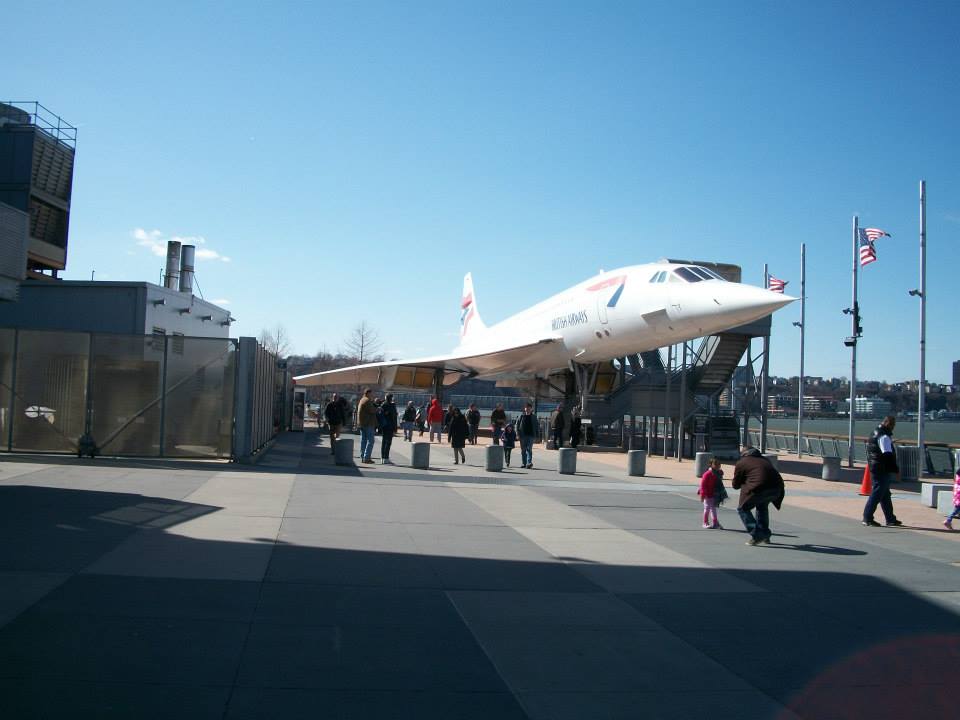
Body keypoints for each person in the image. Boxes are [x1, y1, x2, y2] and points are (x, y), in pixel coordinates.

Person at [732, 447, 785, 546]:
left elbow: (735, 485)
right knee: (762, 507)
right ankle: (765, 534)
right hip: (777, 488)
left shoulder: (742, 462)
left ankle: (757, 534)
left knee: (742, 509)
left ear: (744, 454)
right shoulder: (765, 459)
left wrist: (743, 482)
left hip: (759, 488)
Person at [862, 415, 903, 527]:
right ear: (887, 423)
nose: (893, 427)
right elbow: (887, 455)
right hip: (881, 468)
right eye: (892, 424)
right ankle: (867, 517)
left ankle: (890, 518)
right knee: (878, 492)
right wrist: (896, 470)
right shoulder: (884, 436)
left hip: (875, 466)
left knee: (885, 494)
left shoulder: (875, 432)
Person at [698, 457, 727, 529]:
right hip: (707, 494)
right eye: (716, 464)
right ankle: (705, 522)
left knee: (713, 508)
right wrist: (702, 495)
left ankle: (715, 523)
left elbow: (719, 482)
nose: (718, 466)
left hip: (714, 494)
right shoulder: (707, 474)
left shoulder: (718, 473)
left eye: (719, 464)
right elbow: (703, 485)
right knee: (707, 508)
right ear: (711, 465)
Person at [357, 388, 378, 464]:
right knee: (371, 441)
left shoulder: (362, 400)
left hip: (362, 423)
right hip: (368, 423)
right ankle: (367, 457)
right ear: (368, 393)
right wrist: (377, 408)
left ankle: (363, 456)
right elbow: (372, 410)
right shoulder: (367, 401)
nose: (372, 395)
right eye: (372, 394)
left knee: (363, 440)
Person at [516, 403, 537, 469]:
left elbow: (537, 426)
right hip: (522, 435)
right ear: (524, 409)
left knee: (529, 449)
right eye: (526, 407)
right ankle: (523, 463)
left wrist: (537, 435)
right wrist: (517, 434)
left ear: (531, 409)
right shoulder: (521, 416)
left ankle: (529, 463)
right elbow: (517, 425)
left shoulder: (534, 417)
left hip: (531, 435)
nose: (527, 409)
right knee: (523, 450)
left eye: (529, 408)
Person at [379, 393, 398, 464]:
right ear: (391, 398)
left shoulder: (383, 405)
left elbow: (380, 415)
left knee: (384, 442)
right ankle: (386, 458)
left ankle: (382, 457)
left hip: (384, 425)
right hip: (390, 426)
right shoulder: (392, 406)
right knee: (388, 442)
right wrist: (395, 428)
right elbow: (394, 418)